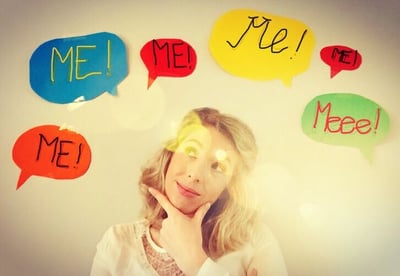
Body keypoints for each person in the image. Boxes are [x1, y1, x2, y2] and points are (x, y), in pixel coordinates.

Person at [90, 107, 288, 276]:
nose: (195, 175)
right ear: (169, 157)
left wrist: (196, 262)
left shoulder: (255, 241)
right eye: (191, 152)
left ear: (228, 186)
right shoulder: (117, 242)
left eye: (218, 166)